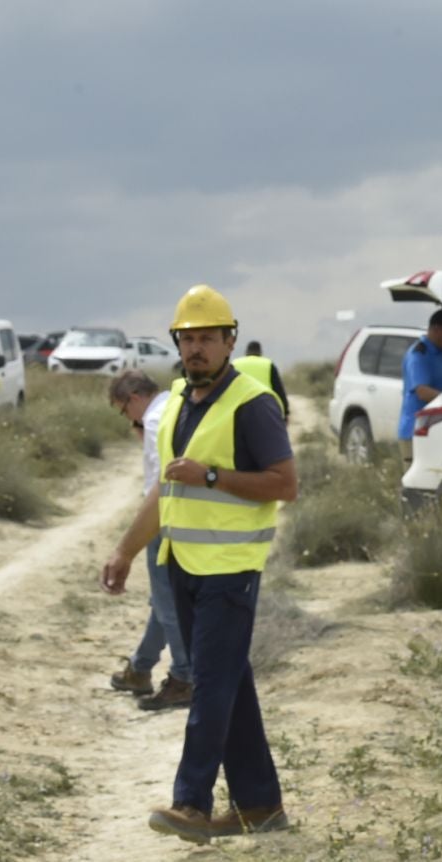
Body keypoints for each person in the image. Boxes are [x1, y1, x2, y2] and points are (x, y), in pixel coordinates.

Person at [99, 285, 297, 843]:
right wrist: (125, 550)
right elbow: (164, 492)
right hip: (183, 565)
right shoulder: (179, 403)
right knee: (231, 683)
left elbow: (286, 484)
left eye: (207, 338)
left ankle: (191, 802)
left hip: (230, 571)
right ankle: (260, 805)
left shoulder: (251, 405)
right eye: (187, 339)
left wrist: (212, 476)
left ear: (229, 340)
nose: (196, 349)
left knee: (209, 685)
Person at [106, 370, 192, 712]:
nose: (129, 421)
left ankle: (184, 676)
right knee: (163, 600)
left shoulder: (156, 419)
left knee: (167, 601)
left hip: (164, 520)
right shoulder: (177, 404)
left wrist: (131, 542)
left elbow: (161, 481)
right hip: (187, 519)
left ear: (133, 399)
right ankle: (140, 669)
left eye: (124, 412)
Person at [398, 309, 442, 464]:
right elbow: (422, 392)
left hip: (437, 430)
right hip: (415, 432)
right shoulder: (419, 355)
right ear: (437, 329)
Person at [234, 341, 289, 421]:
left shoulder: (235, 364)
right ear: (260, 352)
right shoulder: (268, 364)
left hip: (239, 408)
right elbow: (278, 390)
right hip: (264, 408)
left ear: (246, 352)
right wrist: (285, 412)